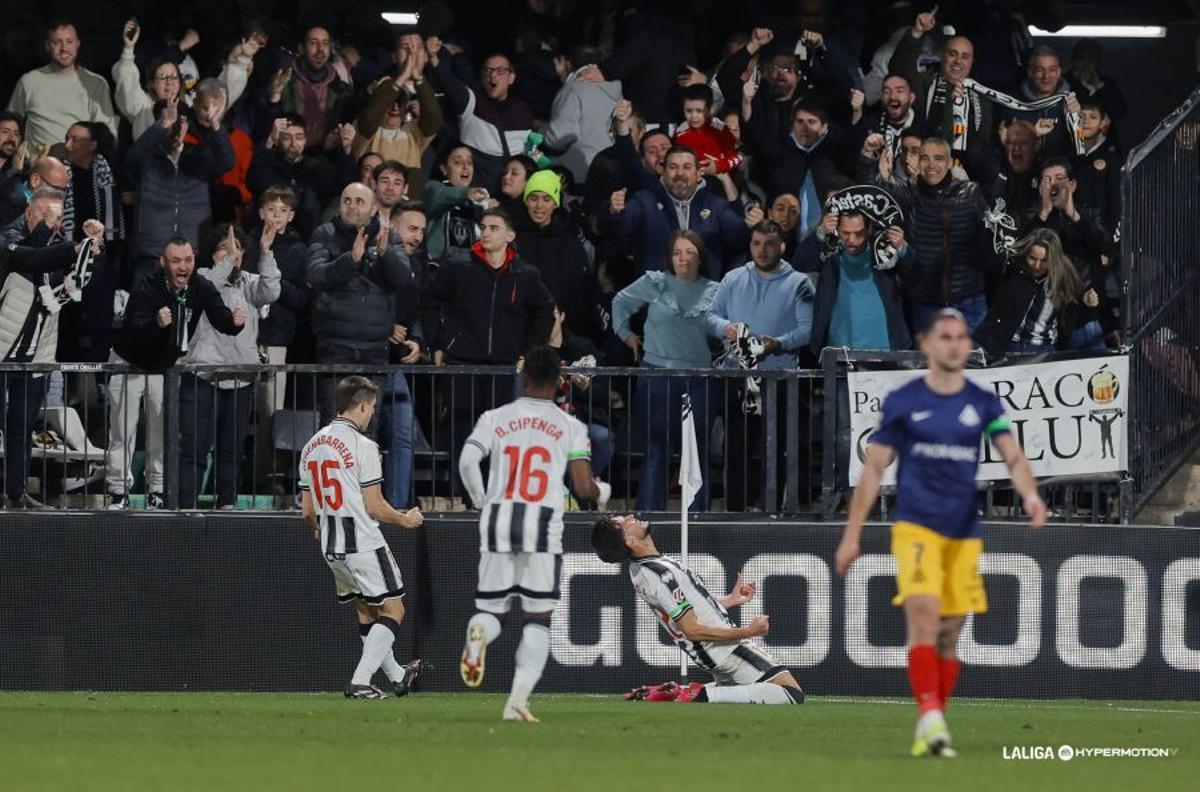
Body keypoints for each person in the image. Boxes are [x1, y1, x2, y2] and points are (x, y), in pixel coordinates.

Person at [835, 308, 1047, 757]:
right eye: (945, 336)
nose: (955, 344)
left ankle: (932, 723)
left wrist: (1029, 494)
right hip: (915, 528)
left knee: (951, 631)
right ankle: (931, 717)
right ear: (927, 344)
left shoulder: (984, 403)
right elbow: (874, 467)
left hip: (963, 533)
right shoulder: (904, 401)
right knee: (925, 615)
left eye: (961, 337)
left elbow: (1012, 455)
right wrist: (852, 535)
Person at [457, 345, 604, 721]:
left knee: (492, 609)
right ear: (559, 381)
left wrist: (481, 502)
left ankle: (479, 636)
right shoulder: (570, 426)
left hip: (498, 519)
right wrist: (601, 493)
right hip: (542, 525)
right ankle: (516, 702)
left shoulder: (495, 417)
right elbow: (584, 489)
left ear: (523, 378)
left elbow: (468, 460)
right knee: (537, 618)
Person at [299, 375, 426, 699]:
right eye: (371, 408)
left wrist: (319, 530)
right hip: (363, 543)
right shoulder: (364, 446)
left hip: (331, 545)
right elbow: (375, 507)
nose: (372, 415)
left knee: (366, 611)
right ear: (362, 406)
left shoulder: (312, 445)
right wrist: (406, 519)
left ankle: (398, 674)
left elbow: (307, 511)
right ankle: (360, 680)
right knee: (394, 610)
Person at [591, 513, 805, 705]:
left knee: (749, 690)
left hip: (713, 652)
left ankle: (682, 692)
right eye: (625, 522)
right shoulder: (660, 574)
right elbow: (692, 629)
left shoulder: (643, 568)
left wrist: (730, 600)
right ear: (630, 541)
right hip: (724, 648)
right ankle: (701, 695)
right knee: (791, 694)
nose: (631, 516)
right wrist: (749, 631)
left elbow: (686, 609)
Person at [105, 237, 246, 510]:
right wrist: (155, 324)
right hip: (127, 364)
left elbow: (222, 320)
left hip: (162, 369)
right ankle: (118, 492)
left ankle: (156, 491)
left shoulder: (200, 287)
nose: (183, 267)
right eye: (176, 261)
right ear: (163, 262)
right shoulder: (147, 285)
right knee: (123, 430)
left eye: (188, 260)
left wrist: (235, 323)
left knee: (161, 432)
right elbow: (132, 330)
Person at [0, 188, 105, 508]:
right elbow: (26, 257)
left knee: (22, 427)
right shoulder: (7, 240)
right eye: (47, 216)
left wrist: (90, 247)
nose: (54, 225)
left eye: (58, 219)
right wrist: (72, 246)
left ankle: (15, 494)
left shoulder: (55, 253)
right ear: (30, 213)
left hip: (36, 358)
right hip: (2, 356)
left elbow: (73, 288)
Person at [706, 220, 814, 510]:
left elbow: (807, 330)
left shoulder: (801, 283)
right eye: (756, 243)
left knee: (774, 448)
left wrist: (776, 343)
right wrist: (727, 327)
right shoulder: (732, 278)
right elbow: (710, 317)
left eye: (768, 244)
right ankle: (734, 511)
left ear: (782, 246)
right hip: (736, 376)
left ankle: (771, 511)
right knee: (736, 447)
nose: (762, 250)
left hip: (778, 380)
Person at [612, 230, 719, 511]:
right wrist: (627, 335)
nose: (683, 259)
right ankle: (648, 519)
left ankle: (699, 521)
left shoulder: (716, 290)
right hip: (656, 377)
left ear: (700, 257)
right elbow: (620, 302)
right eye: (677, 253)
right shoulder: (655, 283)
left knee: (696, 452)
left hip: (699, 380)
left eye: (689, 252)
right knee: (656, 451)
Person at [177, 224, 280, 509]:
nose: (233, 255)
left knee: (232, 449)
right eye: (225, 249)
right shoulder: (201, 278)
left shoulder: (249, 282)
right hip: (201, 376)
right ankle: (186, 506)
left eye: (237, 250)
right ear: (212, 254)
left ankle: (227, 504)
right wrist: (226, 261)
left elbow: (271, 292)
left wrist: (266, 253)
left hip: (240, 377)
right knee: (194, 448)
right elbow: (209, 286)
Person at [308, 182, 417, 424]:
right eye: (347, 200)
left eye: (359, 202)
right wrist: (350, 260)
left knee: (367, 430)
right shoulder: (325, 233)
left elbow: (402, 279)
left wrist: (385, 252)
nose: (352, 207)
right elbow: (315, 275)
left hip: (375, 353)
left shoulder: (390, 237)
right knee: (333, 428)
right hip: (335, 349)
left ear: (374, 208)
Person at [602, 145, 754, 278]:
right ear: (663, 171)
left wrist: (750, 225)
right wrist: (616, 212)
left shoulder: (716, 206)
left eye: (687, 167)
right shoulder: (644, 200)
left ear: (699, 172)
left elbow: (738, 240)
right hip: (657, 301)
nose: (680, 173)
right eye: (673, 167)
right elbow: (621, 227)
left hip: (702, 301)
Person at [975, 228, 1093, 358]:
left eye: (1043, 261)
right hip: (1007, 344)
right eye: (1032, 258)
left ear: (1054, 260)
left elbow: (1075, 295)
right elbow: (982, 260)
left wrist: (1085, 298)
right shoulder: (1012, 267)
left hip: (1044, 348)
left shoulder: (1063, 275)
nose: (1037, 265)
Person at [6, 20, 117, 150]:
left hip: (77, 165)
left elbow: (105, 136)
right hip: (36, 166)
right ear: (47, 46)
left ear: (77, 44)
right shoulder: (28, 81)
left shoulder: (96, 83)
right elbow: (8, 126)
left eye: (69, 41)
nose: (64, 48)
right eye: (57, 42)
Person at [673, 85, 743, 176]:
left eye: (699, 111)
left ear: (709, 110)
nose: (693, 116)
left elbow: (736, 157)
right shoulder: (680, 133)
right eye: (689, 111)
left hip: (722, 176)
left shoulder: (720, 129)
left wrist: (718, 167)